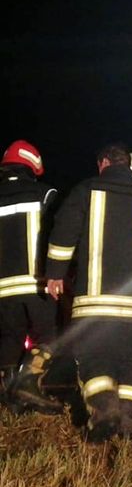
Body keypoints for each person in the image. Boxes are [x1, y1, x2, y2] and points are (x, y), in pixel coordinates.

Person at [45, 142, 132, 441]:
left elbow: (63, 232)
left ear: (103, 163)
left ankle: (104, 407)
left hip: (96, 302)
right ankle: (128, 416)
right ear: (128, 165)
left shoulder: (86, 190)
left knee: (96, 357)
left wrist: (55, 274)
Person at [0, 139, 62, 413]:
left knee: (10, 338)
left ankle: (10, 401)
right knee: (48, 335)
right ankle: (29, 382)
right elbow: (58, 234)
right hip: (37, 282)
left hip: (2, 288)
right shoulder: (45, 194)